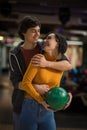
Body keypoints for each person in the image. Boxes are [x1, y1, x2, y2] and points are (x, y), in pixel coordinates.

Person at [9, 15, 72, 130]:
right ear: (24, 32)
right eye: (33, 31)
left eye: (38, 31)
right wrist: (36, 86)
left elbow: (67, 65)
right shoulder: (15, 54)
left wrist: (67, 96)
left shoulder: (44, 48)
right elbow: (15, 82)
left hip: (47, 104)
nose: (38, 35)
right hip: (22, 101)